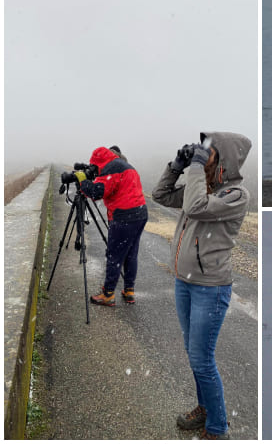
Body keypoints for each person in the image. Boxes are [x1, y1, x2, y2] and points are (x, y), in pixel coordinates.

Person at [152, 131, 252, 440]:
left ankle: (217, 428)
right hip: (185, 282)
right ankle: (204, 408)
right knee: (193, 353)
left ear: (224, 159)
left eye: (209, 152)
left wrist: (195, 167)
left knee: (201, 358)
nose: (203, 156)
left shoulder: (235, 195)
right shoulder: (203, 188)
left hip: (210, 287)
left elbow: (195, 207)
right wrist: (177, 164)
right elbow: (160, 195)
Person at [76, 146, 148, 306]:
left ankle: (108, 294)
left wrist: (83, 181)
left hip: (124, 216)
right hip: (141, 213)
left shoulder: (110, 169)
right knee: (131, 252)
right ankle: (129, 290)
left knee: (114, 254)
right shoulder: (124, 165)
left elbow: (96, 192)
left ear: (98, 161)